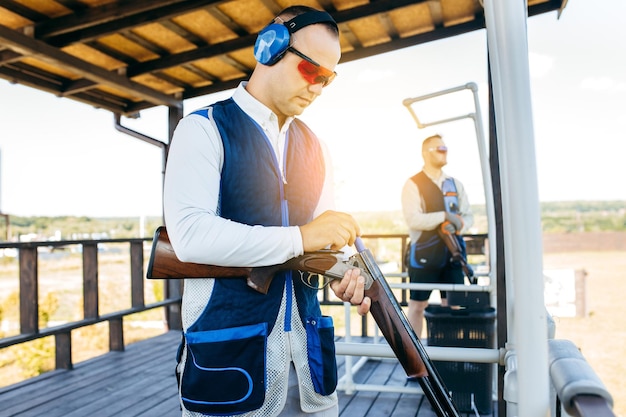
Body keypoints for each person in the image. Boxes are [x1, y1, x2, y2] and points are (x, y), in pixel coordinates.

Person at [163, 6, 371, 417]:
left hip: (310, 371)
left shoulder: (317, 147)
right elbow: (190, 236)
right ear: (270, 47)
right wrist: (301, 237)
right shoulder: (203, 129)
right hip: (232, 365)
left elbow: (322, 247)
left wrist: (346, 276)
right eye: (312, 71)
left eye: (328, 79)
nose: (318, 87)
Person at [401, 134, 474, 339]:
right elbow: (413, 219)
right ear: (426, 153)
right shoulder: (412, 184)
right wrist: (443, 216)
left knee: (454, 304)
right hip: (424, 255)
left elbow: (468, 216)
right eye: (439, 148)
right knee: (417, 305)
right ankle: (414, 358)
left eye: (445, 148)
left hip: (454, 254)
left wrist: (460, 225)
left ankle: (449, 354)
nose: (444, 151)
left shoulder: (455, 183)